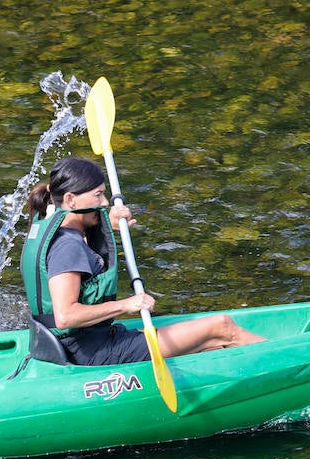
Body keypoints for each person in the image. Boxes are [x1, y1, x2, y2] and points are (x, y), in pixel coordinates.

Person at [20, 157, 263, 366]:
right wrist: (127, 305)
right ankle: (296, 368)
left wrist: (109, 223)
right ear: (71, 200)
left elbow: (83, 241)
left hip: (83, 344)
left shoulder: (54, 228)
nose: (105, 202)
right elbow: (65, 316)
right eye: (98, 195)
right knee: (222, 327)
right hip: (93, 352)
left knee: (211, 343)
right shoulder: (67, 247)